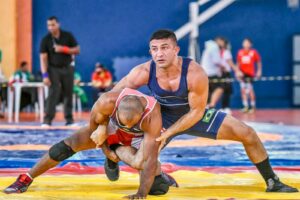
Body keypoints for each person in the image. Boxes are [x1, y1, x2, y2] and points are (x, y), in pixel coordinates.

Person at [106, 29, 298, 194]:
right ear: (150, 52)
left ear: (176, 49)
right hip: (161, 117)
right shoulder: (144, 71)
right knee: (146, 169)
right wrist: (102, 127)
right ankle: (117, 156)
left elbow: (197, 112)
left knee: (247, 133)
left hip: (192, 116)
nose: (159, 54)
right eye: (154, 49)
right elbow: (112, 96)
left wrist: (170, 133)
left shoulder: (194, 72)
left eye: (164, 48)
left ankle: (272, 181)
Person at [4, 88, 177, 198]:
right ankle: (26, 177)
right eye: (125, 123)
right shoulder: (106, 102)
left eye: (133, 123)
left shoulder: (153, 117)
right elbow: (94, 134)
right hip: (110, 128)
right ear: (116, 111)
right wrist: (106, 148)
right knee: (62, 148)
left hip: (138, 138)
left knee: (156, 186)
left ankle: (156, 172)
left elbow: (150, 157)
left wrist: (141, 194)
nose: (128, 127)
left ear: (141, 115)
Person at [40, 16, 80, 126]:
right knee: (53, 93)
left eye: (53, 24)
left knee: (68, 93)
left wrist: (63, 49)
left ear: (58, 24)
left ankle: (69, 120)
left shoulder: (68, 36)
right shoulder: (46, 40)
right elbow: (43, 58)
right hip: (53, 69)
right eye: (48, 25)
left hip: (67, 68)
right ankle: (47, 120)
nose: (51, 27)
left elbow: (77, 50)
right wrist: (45, 75)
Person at [214, 36, 243, 113]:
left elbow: (230, 63)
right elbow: (230, 63)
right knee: (224, 90)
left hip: (225, 73)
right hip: (222, 74)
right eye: (219, 41)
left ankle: (225, 107)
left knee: (227, 90)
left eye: (221, 41)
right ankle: (224, 107)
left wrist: (237, 71)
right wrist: (237, 71)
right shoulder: (217, 52)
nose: (220, 43)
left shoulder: (225, 52)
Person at [237, 38, 262, 113]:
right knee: (243, 90)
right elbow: (238, 63)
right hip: (242, 74)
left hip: (250, 74)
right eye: (244, 42)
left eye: (247, 43)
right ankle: (245, 106)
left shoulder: (253, 52)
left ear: (250, 44)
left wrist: (259, 71)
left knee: (250, 90)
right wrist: (237, 72)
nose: (246, 44)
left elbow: (258, 62)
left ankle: (253, 106)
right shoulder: (240, 52)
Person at [200, 39, 225, 109]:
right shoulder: (214, 47)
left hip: (204, 73)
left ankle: (206, 106)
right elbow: (216, 61)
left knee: (209, 91)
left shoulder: (208, 47)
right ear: (219, 41)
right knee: (220, 88)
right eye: (223, 42)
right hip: (211, 73)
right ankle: (212, 105)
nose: (223, 44)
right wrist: (223, 66)